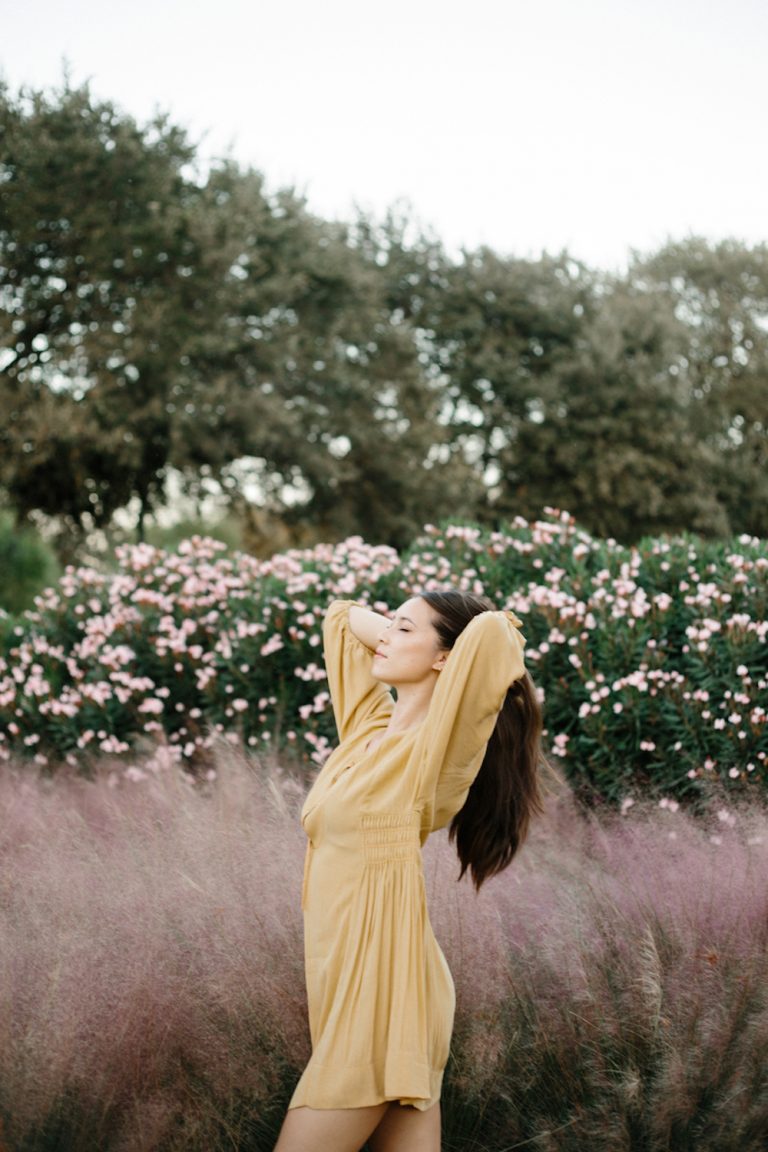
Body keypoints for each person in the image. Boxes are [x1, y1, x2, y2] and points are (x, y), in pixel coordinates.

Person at [274, 590, 544, 1152]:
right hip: (344, 982)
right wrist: (408, 635)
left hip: (383, 992)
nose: (385, 639)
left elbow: (494, 635)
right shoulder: (367, 732)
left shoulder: (437, 748)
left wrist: (429, 642)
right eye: (389, 627)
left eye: (404, 631)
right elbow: (342, 620)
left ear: (448, 656)